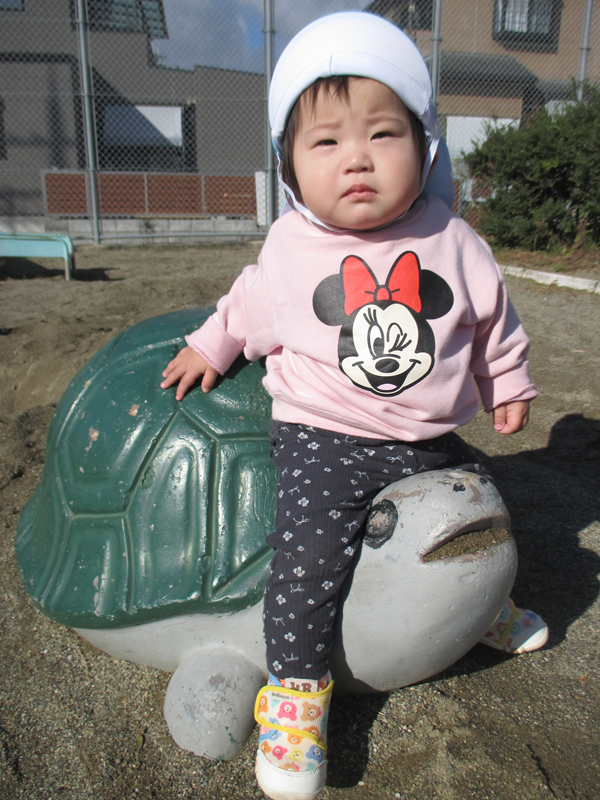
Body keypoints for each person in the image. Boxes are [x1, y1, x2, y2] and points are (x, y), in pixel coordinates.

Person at [160, 12, 548, 800]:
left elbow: (491, 320)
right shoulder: (291, 247)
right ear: (289, 165)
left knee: (478, 514)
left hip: (431, 436)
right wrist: (211, 344)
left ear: (425, 147)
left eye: (383, 133)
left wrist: (506, 381)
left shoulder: (453, 239)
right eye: (327, 142)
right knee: (308, 563)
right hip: (326, 438)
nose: (357, 158)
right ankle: (297, 704)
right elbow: (245, 305)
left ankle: (478, 610)